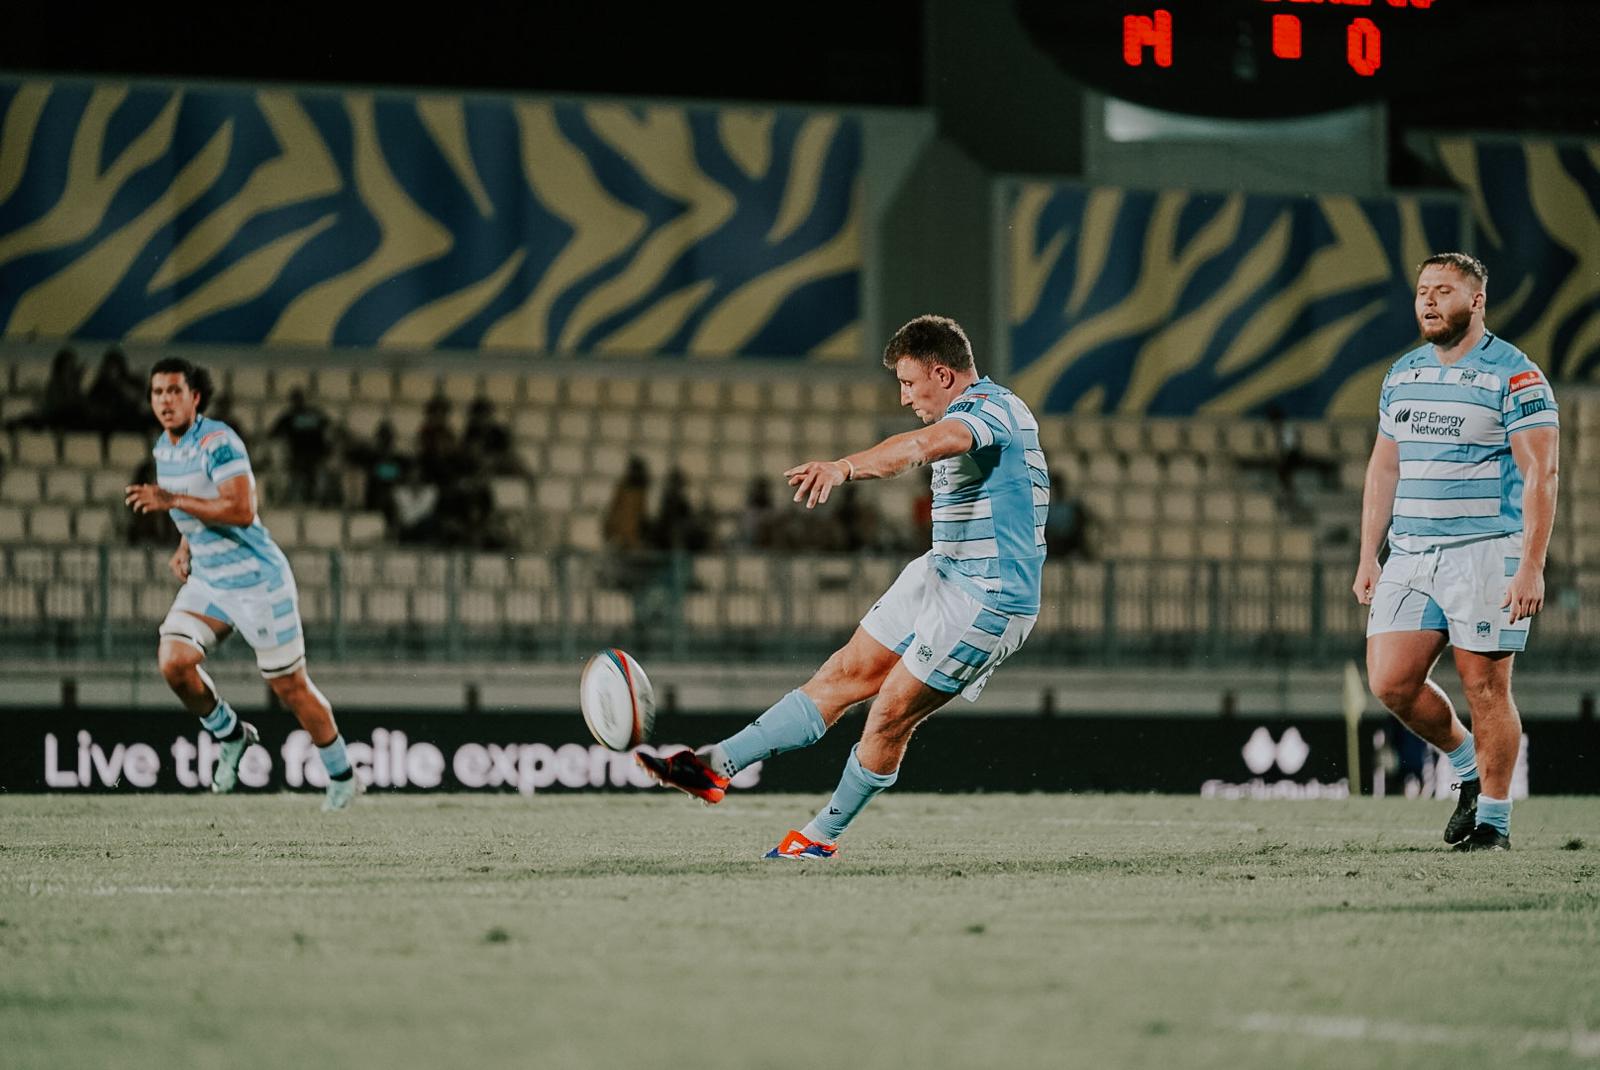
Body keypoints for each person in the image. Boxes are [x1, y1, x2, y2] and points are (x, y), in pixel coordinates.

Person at [638, 315, 1047, 858]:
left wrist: (845, 468)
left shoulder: (994, 411)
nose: (904, 397)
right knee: (842, 674)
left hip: (988, 599)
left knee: (890, 712)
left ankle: (818, 839)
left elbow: (927, 443)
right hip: (940, 571)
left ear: (944, 375)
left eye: (909, 383)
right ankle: (713, 766)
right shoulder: (968, 411)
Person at [1353, 253, 1558, 852]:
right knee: (1390, 682)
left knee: (1485, 688)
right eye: (1423, 290)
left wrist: (1531, 566)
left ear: (1477, 301)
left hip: (1484, 552)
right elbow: (1384, 467)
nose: (1429, 300)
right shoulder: (1403, 374)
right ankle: (1467, 764)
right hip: (1411, 553)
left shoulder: (1515, 375)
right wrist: (1368, 554)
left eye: (1444, 290)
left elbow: (1541, 473)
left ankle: (1493, 823)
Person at [124, 358, 360, 811]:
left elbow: (241, 510)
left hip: (257, 582)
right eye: (157, 392)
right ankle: (231, 734)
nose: (165, 401)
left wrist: (171, 500)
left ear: (195, 397)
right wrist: (185, 545)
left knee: (290, 688)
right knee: (174, 662)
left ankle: (342, 775)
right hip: (210, 580)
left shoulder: (219, 442)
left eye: (174, 391)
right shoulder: (163, 449)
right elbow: (195, 507)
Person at [268, 388, 334, 504]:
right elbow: (273, 433)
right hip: (298, 455)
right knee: (301, 473)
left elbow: (329, 428)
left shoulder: (314, 414)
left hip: (315, 455)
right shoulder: (289, 417)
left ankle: (315, 498)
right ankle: (303, 498)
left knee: (313, 473)